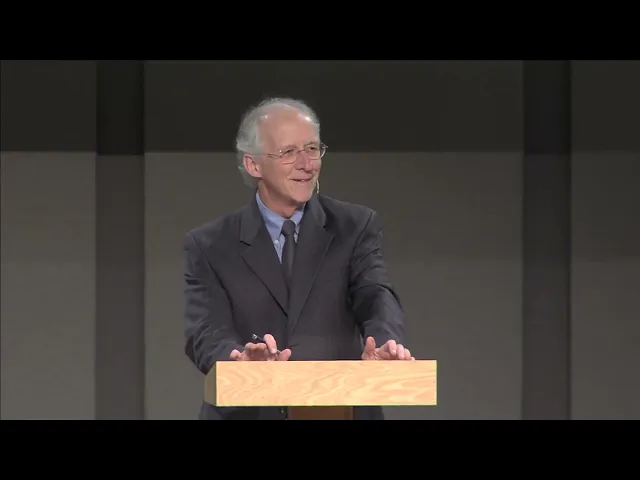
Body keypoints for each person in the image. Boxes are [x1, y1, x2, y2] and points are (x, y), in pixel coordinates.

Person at [183, 97, 413, 420]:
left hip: (337, 410)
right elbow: (206, 329)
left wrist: (386, 342)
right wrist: (237, 363)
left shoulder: (355, 227)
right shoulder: (210, 244)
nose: (307, 164)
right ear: (253, 165)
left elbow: (376, 295)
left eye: (312, 149)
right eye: (289, 152)